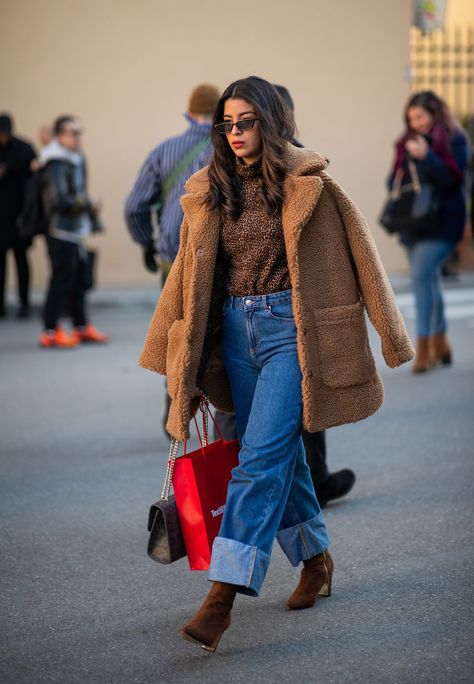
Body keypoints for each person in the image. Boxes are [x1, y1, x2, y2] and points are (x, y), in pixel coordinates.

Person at [139, 76, 414, 652]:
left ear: (270, 120)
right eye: (227, 124)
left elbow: (366, 259)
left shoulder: (312, 186)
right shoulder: (208, 191)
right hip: (235, 338)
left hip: (294, 333)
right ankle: (316, 559)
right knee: (272, 456)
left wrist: (392, 337)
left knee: (259, 460)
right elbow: (185, 281)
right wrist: (173, 359)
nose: (235, 133)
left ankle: (221, 597)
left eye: (247, 121)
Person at [274, 83, 356, 508]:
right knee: (307, 397)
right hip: (292, 306)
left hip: (251, 310)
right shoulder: (305, 166)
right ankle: (312, 482)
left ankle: (305, 485)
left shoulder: (232, 167)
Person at [125, 84, 220, 426]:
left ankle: (176, 400)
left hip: (173, 259)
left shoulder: (163, 150)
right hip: (218, 257)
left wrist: (147, 245)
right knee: (219, 333)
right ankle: (223, 414)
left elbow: (134, 207)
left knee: (179, 331)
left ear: (190, 111)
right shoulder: (230, 148)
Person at [388, 91, 469, 373]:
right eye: (411, 118)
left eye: (420, 116)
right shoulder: (405, 143)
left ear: (433, 113)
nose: (416, 123)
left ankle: (423, 349)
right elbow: (393, 181)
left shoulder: (454, 139)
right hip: (414, 224)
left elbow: (456, 178)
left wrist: (428, 158)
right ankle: (441, 343)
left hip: (444, 223)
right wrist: (409, 161)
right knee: (430, 280)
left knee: (421, 276)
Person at [39, 115, 109, 348]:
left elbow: (77, 191)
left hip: (76, 229)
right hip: (59, 231)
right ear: (60, 136)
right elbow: (58, 200)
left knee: (80, 280)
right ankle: (50, 331)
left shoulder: (77, 157)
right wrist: (88, 203)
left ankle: (80, 327)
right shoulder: (55, 162)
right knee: (61, 281)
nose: (78, 137)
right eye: (73, 133)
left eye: (80, 132)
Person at [0, 114, 37, 318]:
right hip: (1, 218)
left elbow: (36, 179)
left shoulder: (24, 148)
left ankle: (24, 303)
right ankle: (1, 305)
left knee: (21, 260)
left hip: (22, 216)